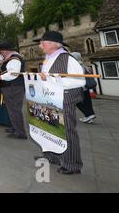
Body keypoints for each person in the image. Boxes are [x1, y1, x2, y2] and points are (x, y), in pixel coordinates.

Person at [33, 31, 86, 174]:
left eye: (42, 42)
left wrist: (53, 80)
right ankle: (53, 156)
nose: (40, 45)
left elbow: (81, 81)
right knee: (51, 129)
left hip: (65, 99)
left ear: (51, 44)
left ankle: (72, 164)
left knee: (67, 131)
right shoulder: (48, 58)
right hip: (50, 99)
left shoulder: (67, 59)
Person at [0, 40, 27, 139]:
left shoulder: (14, 59)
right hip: (11, 87)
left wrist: (0, 78)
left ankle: (20, 133)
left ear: (5, 51)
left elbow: (14, 73)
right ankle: (15, 128)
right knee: (12, 109)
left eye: (2, 51)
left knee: (14, 109)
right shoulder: (11, 59)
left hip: (13, 87)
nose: (1, 53)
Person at [71, 52, 97, 124]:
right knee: (87, 101)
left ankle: (88, 114)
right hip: (85, 87)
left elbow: (77, 76)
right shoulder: (82, 64)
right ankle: (90, 116)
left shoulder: (76, 65)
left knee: (76, 101)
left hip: (80, 87)